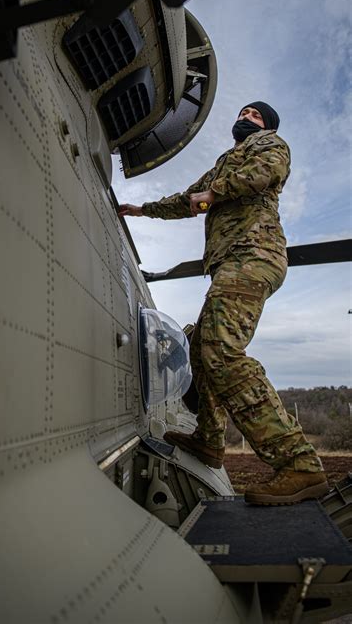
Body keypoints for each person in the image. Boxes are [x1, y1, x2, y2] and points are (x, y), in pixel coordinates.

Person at [118, 102, 328, 505]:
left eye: (254, 115)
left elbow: (263, 174)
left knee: (220, 348)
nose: (245, 118)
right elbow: (187, 201)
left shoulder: (270, 145)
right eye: (243, 113)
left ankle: (298, 462)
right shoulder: (224, 163)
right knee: (200, 347)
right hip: (231, 261)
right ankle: (210, 439)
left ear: (266, 126)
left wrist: (213, 193)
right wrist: (143, 210)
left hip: (255, 255)